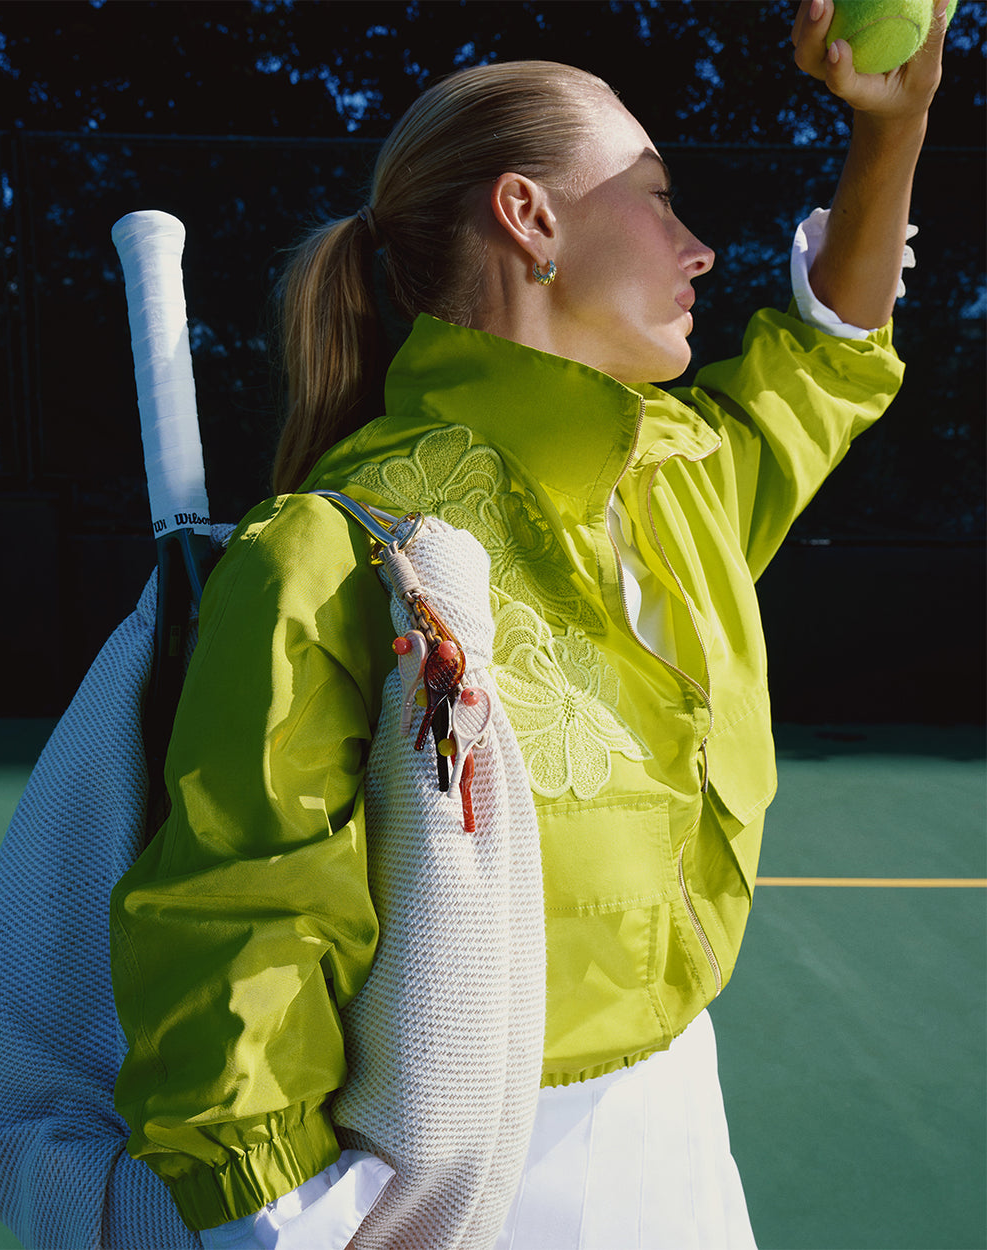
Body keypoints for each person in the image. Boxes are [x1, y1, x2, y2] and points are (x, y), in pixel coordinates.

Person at [109, 1, 947, 1247]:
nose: (699, 247)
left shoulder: (683, 476)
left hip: (682, 1143)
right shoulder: (338, 548)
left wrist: (897, 126)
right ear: (528, 215)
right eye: (656, 195)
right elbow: (240, 937)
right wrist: (269, 1217)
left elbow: (827, 354)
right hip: (448, 1183)